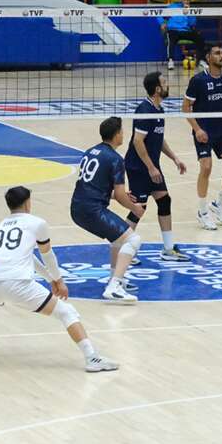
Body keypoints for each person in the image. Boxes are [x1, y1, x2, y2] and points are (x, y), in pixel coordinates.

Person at [0, 186, 119, 372]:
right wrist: (58, 281)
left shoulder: (3, 224)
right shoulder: (37, 223)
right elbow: (47, 254)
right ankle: (92, 358)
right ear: (28, 203)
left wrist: (49, 279)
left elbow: (30, 256)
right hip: (18, 283)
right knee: (67, 312)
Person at [70, 117, 147, 304]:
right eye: (121, 131)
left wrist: (113, 195)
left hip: (77, 207)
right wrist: (134, 208)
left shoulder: (90, 152)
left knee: (118, 237)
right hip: (92, 210)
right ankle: (114, 286)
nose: (123, 134)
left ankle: (115, 279)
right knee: (133, 239)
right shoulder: (115, 159)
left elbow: (91, 184)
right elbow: (120, 196)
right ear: (116, 135)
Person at [126, 72, 191, 261]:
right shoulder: (144, 110)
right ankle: (123, 246)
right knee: (139, 208)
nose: (167, 85)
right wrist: (151, 168)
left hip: (150, 165)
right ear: (157, 89)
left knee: (164, 200)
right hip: (138, 166)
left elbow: (159, 139)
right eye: (164, 83)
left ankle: (169, 249)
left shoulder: (159, 110)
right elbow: (138, 141)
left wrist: (175, 158)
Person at [184, 45, 222, 231]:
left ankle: (218, 203)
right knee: (206, 167)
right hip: (203, 130)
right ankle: (202, 212)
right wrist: (197, 129)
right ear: (208, 58)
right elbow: (185, 108)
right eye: (217, 53)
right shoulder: (198, 80)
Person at [160, 0, 204, 71]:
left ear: (190, 0)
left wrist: (188, 12)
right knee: (171, 39)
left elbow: (192, 24)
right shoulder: (173, 7)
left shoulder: (191, 10)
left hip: (185, 31)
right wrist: (162, 23)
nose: (186, 1)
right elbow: (160, 15)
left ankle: (201, 60)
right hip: (173, 30)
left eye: (188, 0)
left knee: (199, 38)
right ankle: (170, 60)